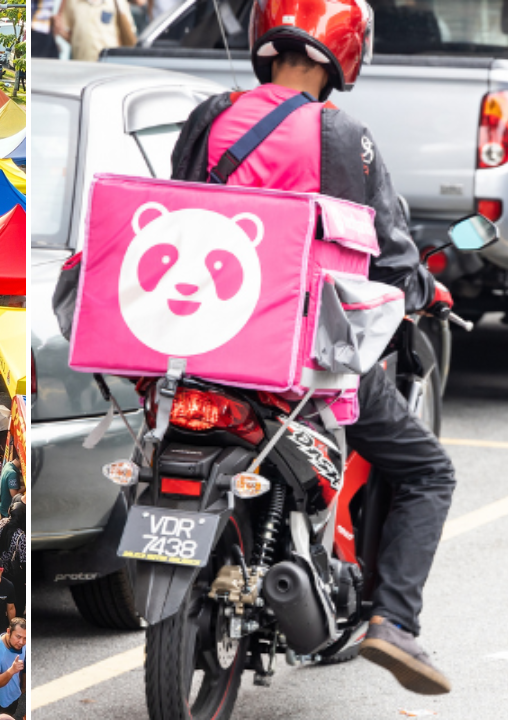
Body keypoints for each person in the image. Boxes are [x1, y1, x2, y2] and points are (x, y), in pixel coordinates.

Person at [170, 3, 454, 693]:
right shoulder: (342, 135)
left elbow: (175, 206)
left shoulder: (212, 115)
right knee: (428, 472)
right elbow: (388, 254)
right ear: (344, 53)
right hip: (301, 357)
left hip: (197, 345)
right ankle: (393, 622)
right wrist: (419, 288)